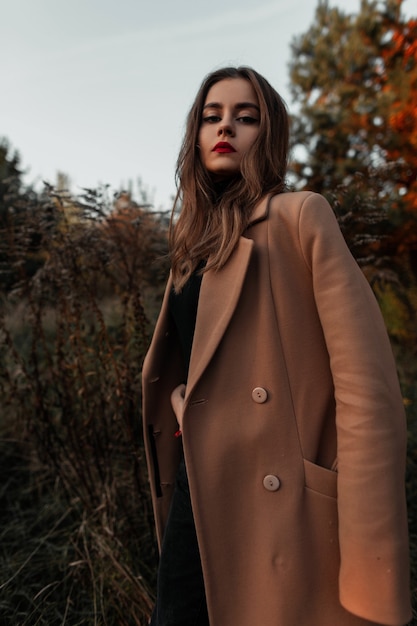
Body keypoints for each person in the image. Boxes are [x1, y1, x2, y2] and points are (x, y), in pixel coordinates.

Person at [141, 66, 412, 626]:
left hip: (283, 504)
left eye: (246, 117)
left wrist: (371, 559)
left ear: (271, 135)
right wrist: (182, 404)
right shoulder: (190, 247)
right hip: (203, 487)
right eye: (212, 116)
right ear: (194, 136)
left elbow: (368, 393)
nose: (226, 128)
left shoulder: (298, 218)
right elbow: (199, 363)